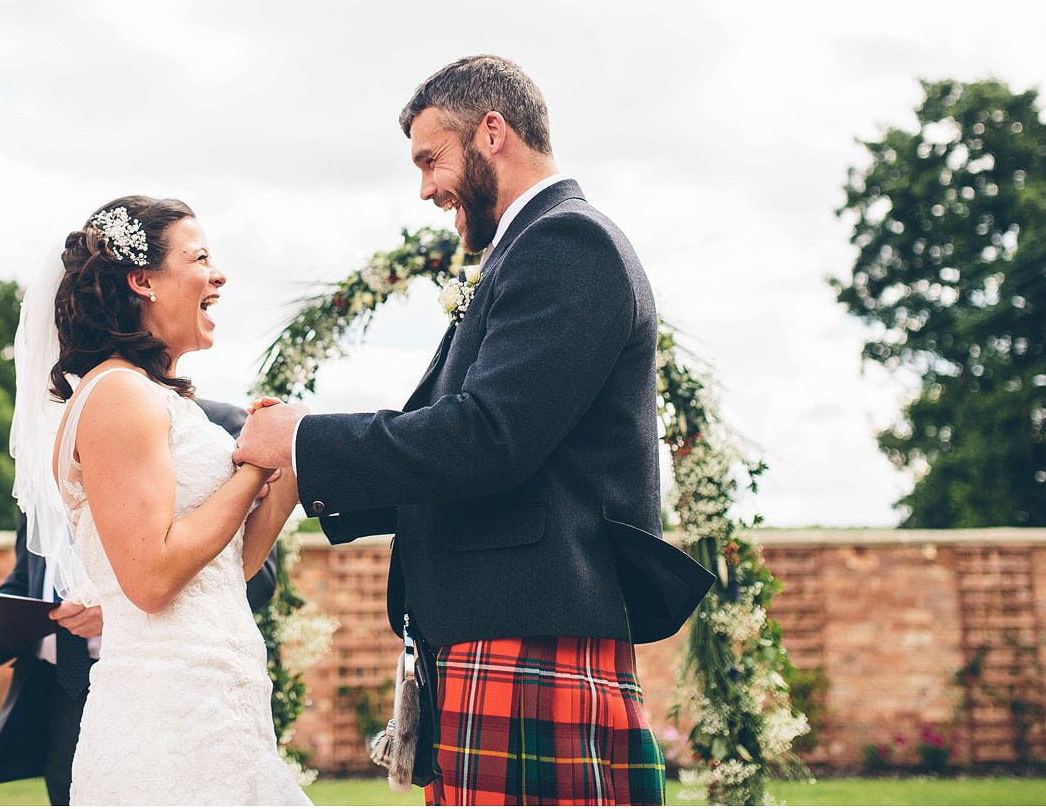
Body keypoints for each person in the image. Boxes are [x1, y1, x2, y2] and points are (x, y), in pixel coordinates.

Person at [236, 55, 708, 806]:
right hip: (500, 637)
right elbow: (467, 448)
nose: (425, 188)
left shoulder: (568, 244)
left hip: (529, 635)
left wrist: (306, 440)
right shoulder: (530, 250)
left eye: (431, 159)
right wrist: (307, 467)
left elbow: (488, 440)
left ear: (492, 132)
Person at [8, 196, 310, 805]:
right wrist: (248, 472)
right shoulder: (118, 393)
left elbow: (227, 571)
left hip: (222, 704)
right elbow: (151, 580)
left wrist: (284, 469)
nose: (218, 275)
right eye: (200, 258)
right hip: (165, 716)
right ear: (142, 281)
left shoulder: (160, 397)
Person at [0, 395, 280, 803]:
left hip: (164, 683)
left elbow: (255, 575)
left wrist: (120, 605)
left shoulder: (215, 426)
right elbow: (30, 579)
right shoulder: (47, 445)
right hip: (62, 691)